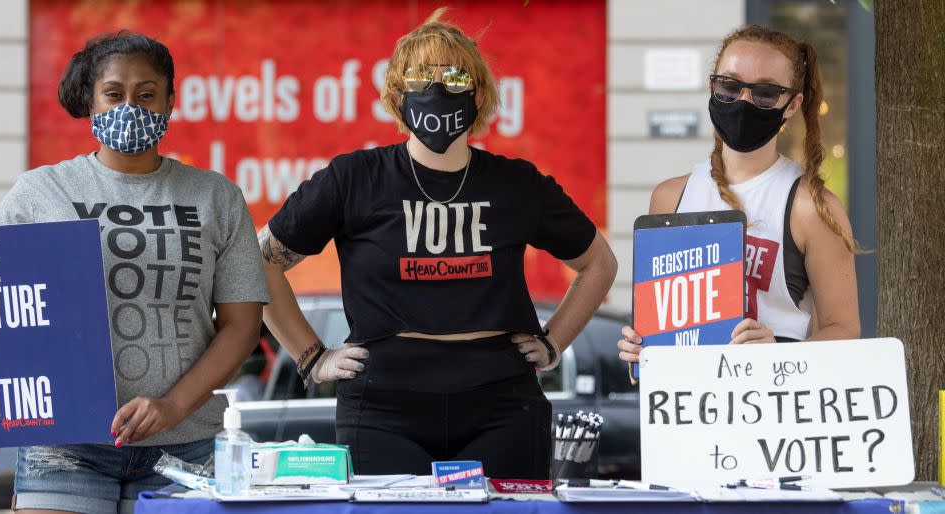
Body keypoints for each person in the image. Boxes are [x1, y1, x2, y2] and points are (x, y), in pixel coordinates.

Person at [258, 9, 617, 479]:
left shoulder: (517, 184)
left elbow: (599, 264)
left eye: (453, 75)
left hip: (502, 403)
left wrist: (554, 345)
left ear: (480, 92)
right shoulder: (354, 179)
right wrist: (312, 358)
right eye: (419, 76)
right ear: (395, 94)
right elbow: (257, 262)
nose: (436, 88)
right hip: (384, 405)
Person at [0, 31, 268, 514]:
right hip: (64, 443)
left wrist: (171, 406)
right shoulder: (40, 191)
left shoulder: (216, 196)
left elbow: (241, 325)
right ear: (90, 101)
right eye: (114, 93)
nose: (131, 106)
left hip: (187, 444)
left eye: (147, 94)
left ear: (171, 101)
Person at [617, 25, 860, 365]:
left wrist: (778, 352)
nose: (743, 101)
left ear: (792, 104)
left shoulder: (811, 207)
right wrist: (641, 352)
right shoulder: (669, 197)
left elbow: (845, 331)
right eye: (729, 86)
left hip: (775, 402)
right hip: (689, 407)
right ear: (711, 87)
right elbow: (663, 325)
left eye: (764, 93)